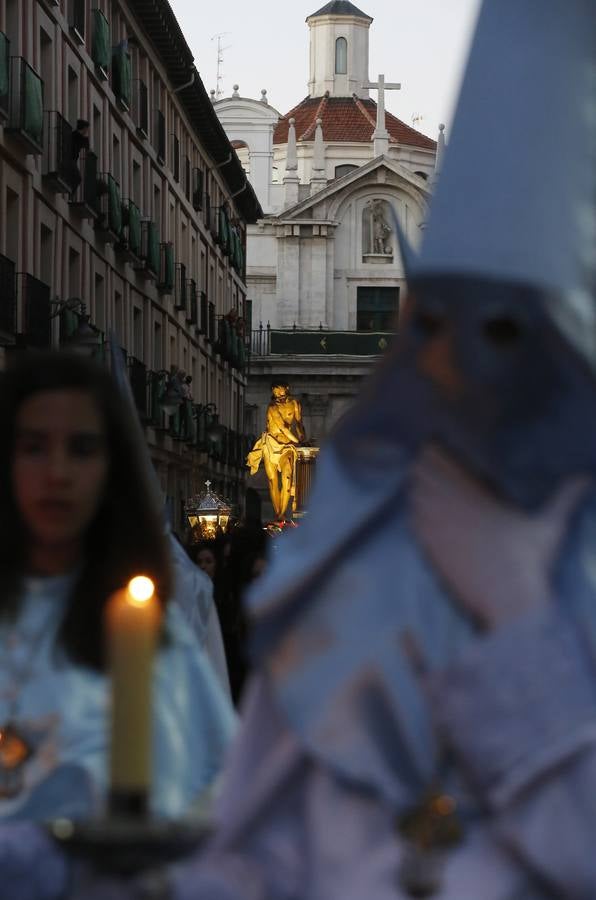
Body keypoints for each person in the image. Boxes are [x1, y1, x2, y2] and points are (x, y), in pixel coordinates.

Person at [0, 350, 235, 822]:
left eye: (82, 449)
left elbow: (215, 796)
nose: (58, 474)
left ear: (112, 468)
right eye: (34, 447)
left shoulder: (151, 632)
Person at [247, 383, 305, 521]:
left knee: (287, 476)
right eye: (275, 393)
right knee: (273, 480)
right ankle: (278, 513)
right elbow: (283, 428)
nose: (278, 395)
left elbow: (299, 424)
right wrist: (298, 442)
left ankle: (281, 514)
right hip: (271, 444)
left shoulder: (295, 404)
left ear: (287, 390)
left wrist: (303, 437)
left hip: (287, 446)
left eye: (280, 392)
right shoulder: (272, 408)